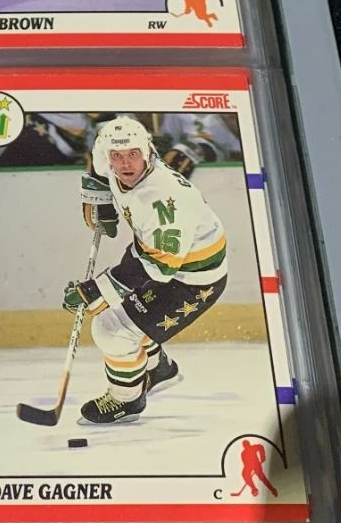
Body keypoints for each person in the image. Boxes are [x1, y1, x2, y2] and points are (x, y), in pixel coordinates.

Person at [66, 114, 229, 425]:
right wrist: (101, 198)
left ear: (148, 151)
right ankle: (159, 369)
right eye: (117, 155)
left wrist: (96, 291)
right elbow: (98, 164)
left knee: (112, 330)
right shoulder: (111, 160)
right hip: (162, 259)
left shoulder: (163, 200)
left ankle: (127, 400)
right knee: (126, 318)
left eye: (133, 154)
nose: (125, 163)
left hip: (193, 279)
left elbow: (158, 267)